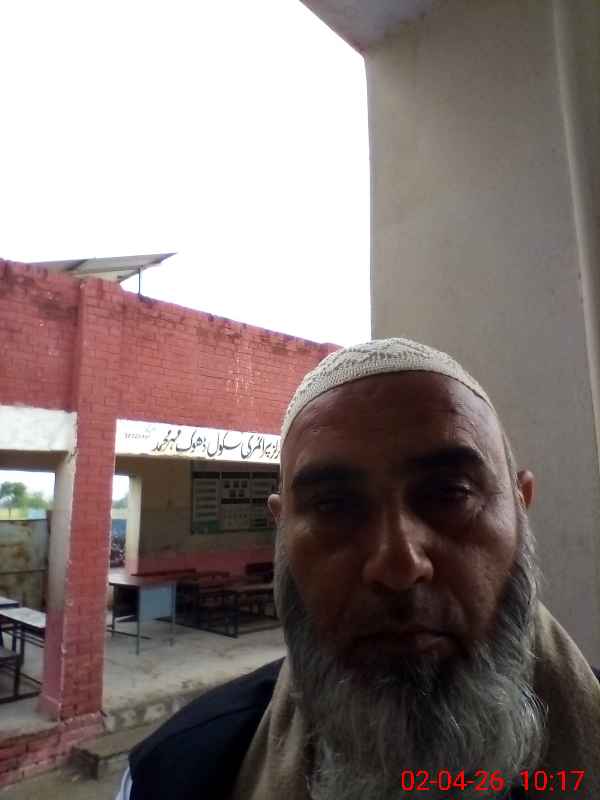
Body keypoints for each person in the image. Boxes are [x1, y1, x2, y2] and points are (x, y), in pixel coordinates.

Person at [118, 338, 600, 800]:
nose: (399, 565)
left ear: (520, 506)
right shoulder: (172, 776)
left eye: (450, 494)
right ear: (282, 530)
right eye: (333, 506)